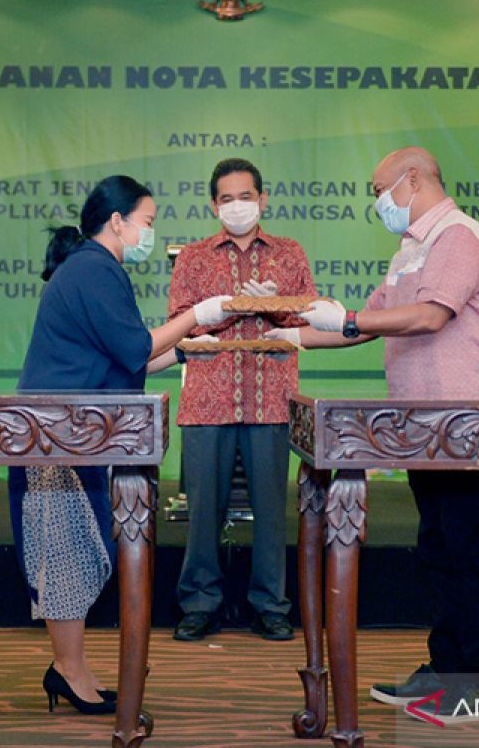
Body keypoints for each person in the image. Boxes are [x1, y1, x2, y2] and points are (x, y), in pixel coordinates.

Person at [266, 146, 479, 722]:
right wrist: (290, 336)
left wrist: (348, 319)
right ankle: (445, 668)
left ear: (412, 179)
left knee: (470, 546)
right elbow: (364, 322)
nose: (378, 201)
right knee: (439, 545)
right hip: (421, 422)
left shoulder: (458, 235)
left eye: (379, 189)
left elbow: (430, 316)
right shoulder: (410, 249)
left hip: (465, 418)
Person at [10, 175, 232, 715]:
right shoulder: (93, 269)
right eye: (148, 222)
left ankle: (71, 670)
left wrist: (183, 351)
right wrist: (195, 316)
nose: (150, 233)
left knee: (76, 555)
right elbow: (135, 345)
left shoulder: (95, 267)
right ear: (118, 221)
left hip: (70, 435)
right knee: (64, 558)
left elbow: (124, 359)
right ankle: (68, 671)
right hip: (55, 438)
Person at [167, 158, 317, 643]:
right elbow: (180, 324)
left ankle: (270, 605)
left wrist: (274, 304)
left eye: (246, 196)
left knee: (272, 512)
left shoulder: (289, 254)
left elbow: (309, 320)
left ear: (263, 199)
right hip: (207, 401)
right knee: (203, 510)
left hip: (271, 399)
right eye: (227, 199)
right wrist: (233, 308)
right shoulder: (193, 257)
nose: (237, 206)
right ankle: (199, 602)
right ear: (214, 205)